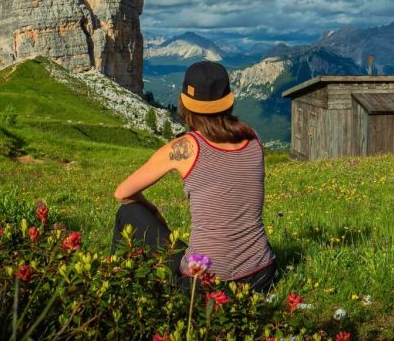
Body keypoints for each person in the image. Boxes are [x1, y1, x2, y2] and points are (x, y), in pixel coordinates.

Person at [113, 61, 276, 291]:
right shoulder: (254, 137)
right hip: (262, 274)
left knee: (128, 211)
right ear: (227, 100)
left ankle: (118, 285)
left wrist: (153, 210)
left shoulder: (185, 147)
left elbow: (122, 192)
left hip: (205, 282)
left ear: (185, 105)